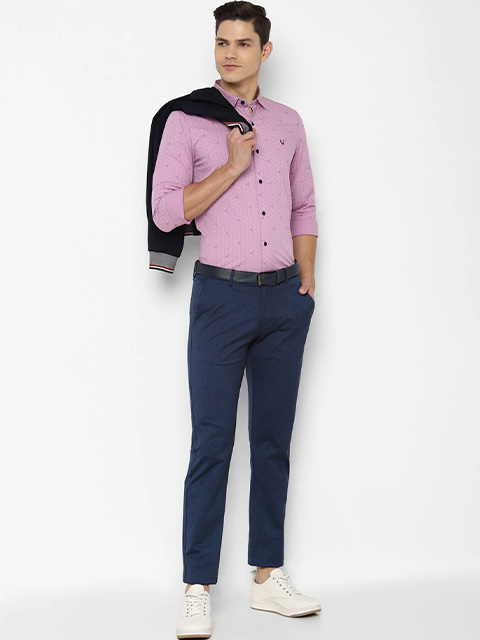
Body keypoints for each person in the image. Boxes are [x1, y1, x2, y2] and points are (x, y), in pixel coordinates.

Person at [151, 3, 322, 637]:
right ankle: (197, 586)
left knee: (273, 442)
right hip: (220, 299)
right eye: (222, 42)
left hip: (283, 301)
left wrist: (307, 281)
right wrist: (231, 166)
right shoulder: (187, 121)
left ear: (264, 51)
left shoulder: (288, 122)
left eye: (243, 43)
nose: (229, 53)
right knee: (212, 443)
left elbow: (304, 205)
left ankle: (267, 577)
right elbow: (166, 212)